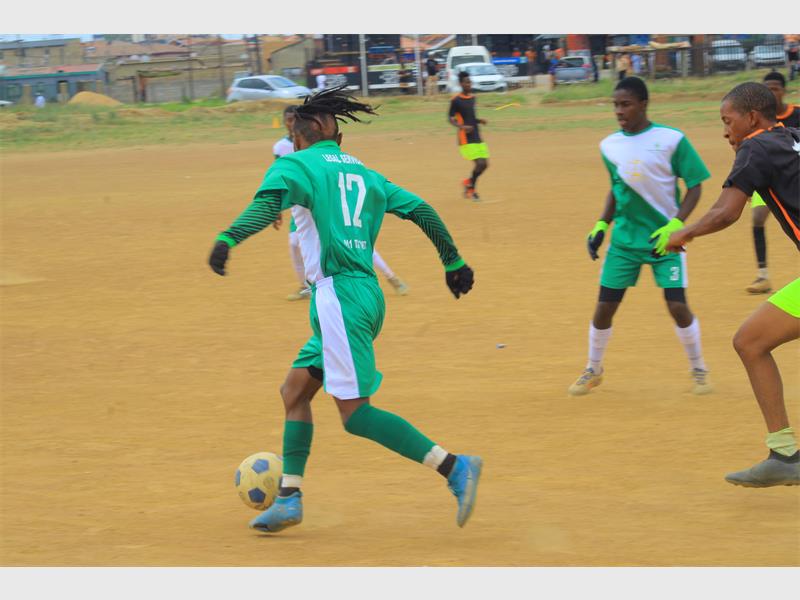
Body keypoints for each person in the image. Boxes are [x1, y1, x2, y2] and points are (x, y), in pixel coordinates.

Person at [208, 86, 482, 532]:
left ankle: (454, 467)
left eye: (293, 132)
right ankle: (290, 497)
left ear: (310, 129)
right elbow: (421, 209)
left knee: (355, 414)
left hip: (340, 299)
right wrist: (453, 260)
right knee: (294, 391)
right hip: (360, 297)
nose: (292, 141)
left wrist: (228, 239)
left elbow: (264, 207)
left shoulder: (298, 163)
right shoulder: (366, 173)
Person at [663, 82, 799, 487]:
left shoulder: (755, 148)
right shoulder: (791, 136)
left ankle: (786, 455)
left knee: (751, 342)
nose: (725, 131)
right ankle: (784, 453)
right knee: (752, 340)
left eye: (728, 121)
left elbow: (725, 213)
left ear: (752, 118)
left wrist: (683, 233)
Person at [570, 77, 712, 397]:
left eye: (626, 104)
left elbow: (696, 185)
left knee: (677, 306)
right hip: (625, 241)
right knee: (604, 308)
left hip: (665, 240)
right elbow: (617, 188)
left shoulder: (672, 139)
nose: (619, 111)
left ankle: (699, 368)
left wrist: (676, 225)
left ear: (644, 104)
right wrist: (601, 225)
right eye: (615, 105)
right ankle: (594, 368)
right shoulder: (609, 145)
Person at [273, 106, 410, 300]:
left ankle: (391, 277)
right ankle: (305, 285)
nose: (290, 123)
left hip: (321, 198)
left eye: (293, 120)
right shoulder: (280, 147)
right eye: (287, 120)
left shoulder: (314, 143)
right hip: (299, 202)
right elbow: (280, 176)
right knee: (294, 243)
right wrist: (277, 207)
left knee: (347, 240)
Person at [744, 71, 800, 295]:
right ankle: (763, 275)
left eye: (775, 88)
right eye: (767, 88)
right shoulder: (758, 118)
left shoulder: (796, 114)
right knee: (757, 217)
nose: (771, 92)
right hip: (766, 176)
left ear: (784, 91)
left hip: (793, 177)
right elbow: (748, 149)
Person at [448, 72, 489, 201]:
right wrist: (462, 127)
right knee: (480, 163)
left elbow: (470, 117)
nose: (469, 84)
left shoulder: (473, 98)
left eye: (470, 82)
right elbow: (450, 118)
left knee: (484, 164)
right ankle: (472, 190)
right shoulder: (456, 100)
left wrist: (479, 121)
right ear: (461, 84)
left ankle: (468, 182)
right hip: (465, 137)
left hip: (477, 135)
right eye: (466, 82)